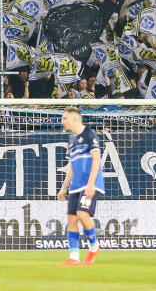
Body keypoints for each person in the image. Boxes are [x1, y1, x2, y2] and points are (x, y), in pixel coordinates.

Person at [56, 106, 104, 266]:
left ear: (74, 119)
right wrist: (64, 187)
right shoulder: (71, 140)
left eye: (65, 118)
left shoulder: (89, 134)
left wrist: (91, 183)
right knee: (71, 218)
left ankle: (94, 246)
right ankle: (74, 257)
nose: (62, 121)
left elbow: (96, 159)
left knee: (82, 215)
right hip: (76, 185)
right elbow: (71, 165)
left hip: (90, 183)